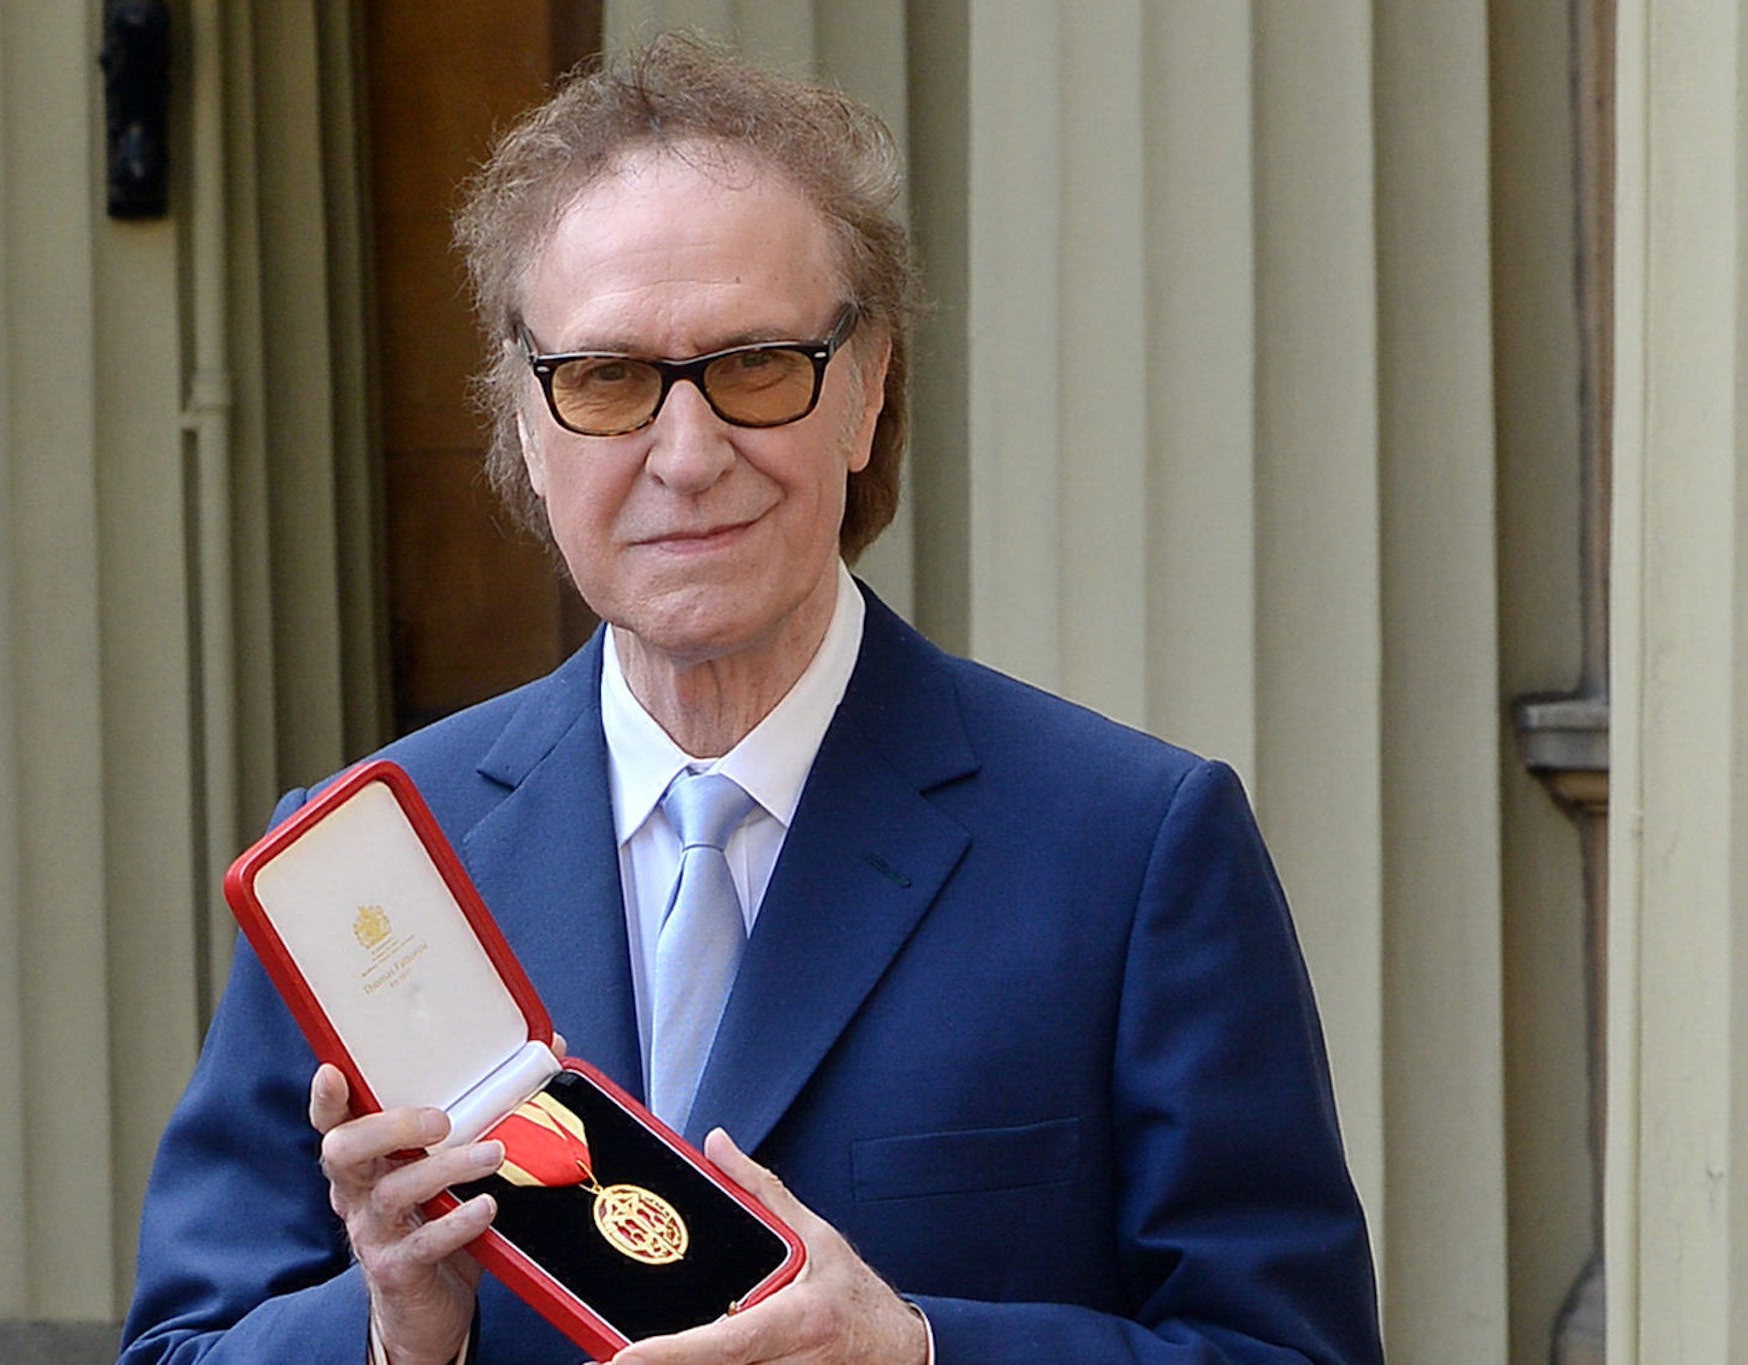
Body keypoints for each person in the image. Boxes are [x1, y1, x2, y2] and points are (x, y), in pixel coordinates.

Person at [121, 34, 1382, 1365]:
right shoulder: (362, 868)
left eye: (756, 365)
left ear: (868, 385)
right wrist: (398, 1332)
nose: (686, 452)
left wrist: (917, 1353)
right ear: (526, 422)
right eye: (606, 378)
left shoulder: (1133, 848)